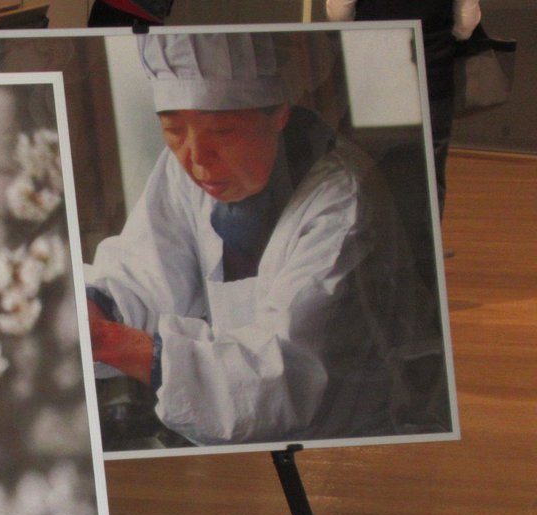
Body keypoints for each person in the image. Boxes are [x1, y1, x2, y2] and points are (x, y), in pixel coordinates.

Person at [87, 31, 448, 447]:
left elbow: (283, 373)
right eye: (174, 130)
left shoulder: (343, 201)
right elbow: (145, 272)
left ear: (278, 115)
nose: (197, 158)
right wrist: (92, 309)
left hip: (352, 435)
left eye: (222, 131)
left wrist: (110, 340)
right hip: (240, 429)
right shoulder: (182, 170)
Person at [326, 1, 481, 216]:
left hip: (373, 68)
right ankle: (425, 235)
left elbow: (338, 14)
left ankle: (369, 232)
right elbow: (465, 24)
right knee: (429, 167)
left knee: (363, 161)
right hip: (431, 71)